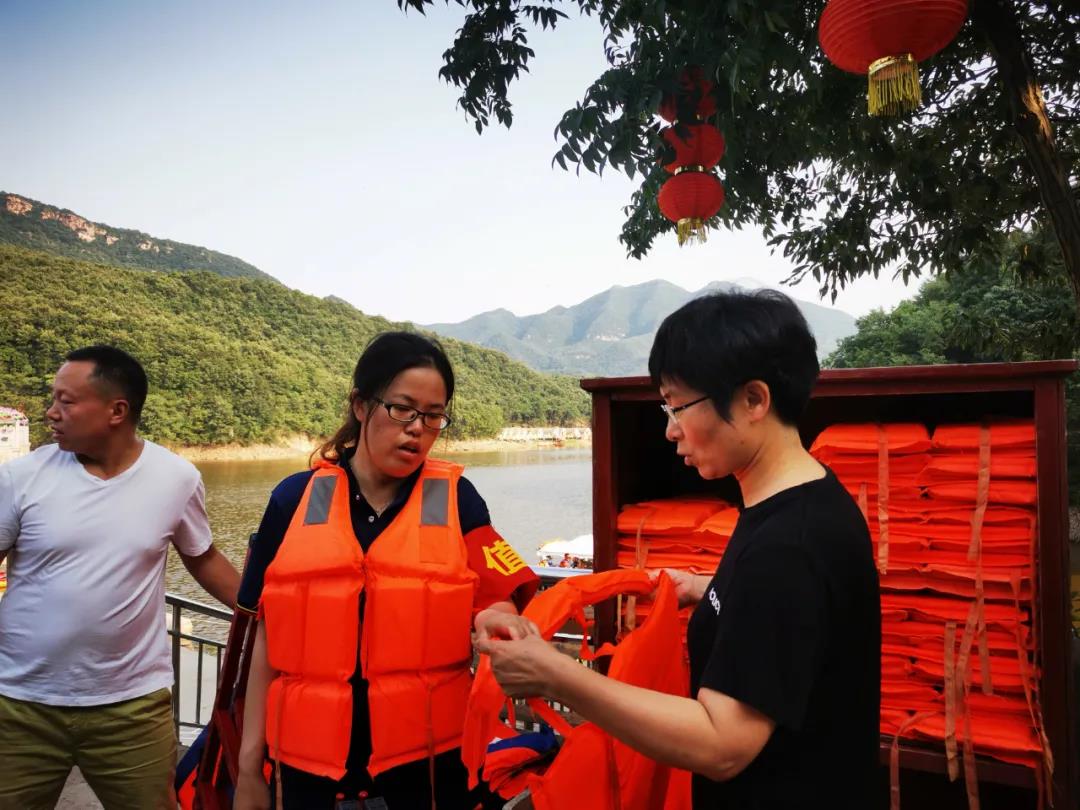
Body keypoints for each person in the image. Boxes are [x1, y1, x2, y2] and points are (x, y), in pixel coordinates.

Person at [476, 291, 882, 809]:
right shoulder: (804, 501)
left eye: (678, 406)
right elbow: (788, 612)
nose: (670, 430)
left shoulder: (788, 545)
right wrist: (705, 587)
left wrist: (557, 676)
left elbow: (722, 745)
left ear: (753, 400)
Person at [234, 331, 539, 810]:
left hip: (430, 774)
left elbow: (496, 596)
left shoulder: (458, 500)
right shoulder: (292, 500)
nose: (417, 428)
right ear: (361, 405)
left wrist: (496, 621)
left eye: (434, 415)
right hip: (305, 777)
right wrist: (249, 768)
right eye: (402, 409)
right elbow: (267, 637)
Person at [0, 345, 240, 809]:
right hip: (21, 703)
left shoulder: (176, 478)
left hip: (132, 706)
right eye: (53, 399)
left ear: (117, 411)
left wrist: (266, 613)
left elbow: (203, 558)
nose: (51, 413)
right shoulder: (21, 477)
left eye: (66, 401)